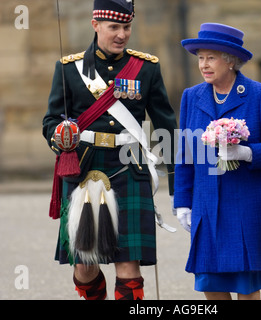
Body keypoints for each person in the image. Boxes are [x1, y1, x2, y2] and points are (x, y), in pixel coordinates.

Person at [42, 0, 177, 300]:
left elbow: (167, 127)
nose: (122, 34)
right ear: (96, 25)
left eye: (126, 27)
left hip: (129, 167)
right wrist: (59, 135)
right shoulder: (68, 68)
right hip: (84, 168)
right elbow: (50, 120)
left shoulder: (147, 67)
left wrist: (178, 186)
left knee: (128, 264)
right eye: (114, 27)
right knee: (85, 266)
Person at [174, 23, 261, 300]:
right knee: (210, 282)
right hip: (205, 204)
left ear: (230, 61)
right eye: (200, 57)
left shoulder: (259, 94)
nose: (203, 64)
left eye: (211, 58)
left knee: (246, 283)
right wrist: (182, 201)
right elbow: (185, 155)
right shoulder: (192, 96)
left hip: (246, 205)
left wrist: (248, 153)